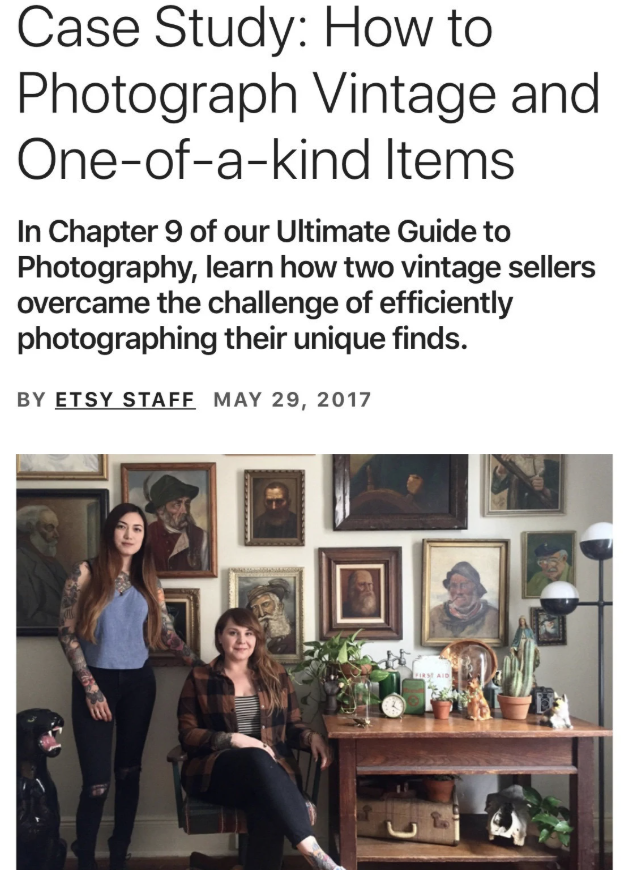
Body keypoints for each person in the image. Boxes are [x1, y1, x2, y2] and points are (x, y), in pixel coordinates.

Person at [58, 503, 203, 870]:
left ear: (144, 535)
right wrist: (91, 689)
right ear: (110, 532)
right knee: (96, 783)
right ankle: (86, 857)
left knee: (128, 773)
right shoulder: (84, 572)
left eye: (137, 529)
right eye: (122, 527)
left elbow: (167, 634)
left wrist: (201, 665)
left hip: (139, 682)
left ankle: (120, 852)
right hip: (96, 682)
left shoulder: (148, 579)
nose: (129, 535)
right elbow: (66, 633)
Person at [177, 608, 347, 870]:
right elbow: (187, 735)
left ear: (257, 639)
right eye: (233, 633)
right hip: (215, 774)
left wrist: (311, 736)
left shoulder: (275, 675)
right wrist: (233, 739)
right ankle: (314, 853)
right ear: (220, 637)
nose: (241, 640)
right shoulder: (200, 678)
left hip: (270, 775)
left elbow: (292, 725)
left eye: (249, 633)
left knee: (265, 805)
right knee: (256, 757)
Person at [144, 474, 209, 571]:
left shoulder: (201, 536)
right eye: (177, 504)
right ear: (160, 510)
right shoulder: (145, 535)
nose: (185, 511)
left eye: (187, 503)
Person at [17, 504, 67, 627]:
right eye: (49, 528)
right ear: (31, 528)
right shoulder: (19, 561)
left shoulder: (53, 563)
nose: (56, 534)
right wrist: (70, 625)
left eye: (56, 528)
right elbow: (28, 616)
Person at [349, 454, 450, 514]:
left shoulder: (441, 457)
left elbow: (445, 505)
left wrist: (422, 491)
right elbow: (349, 495)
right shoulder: (382, 457)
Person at [428, 561, 499, 639]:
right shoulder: (435, 616)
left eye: (464, 585)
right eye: (453, 586)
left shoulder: (493, 616)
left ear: (476, 589)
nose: (458, 591)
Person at [491, 454, 560, 511]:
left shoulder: (554, 466)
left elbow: (563, 500)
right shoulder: (511, 465)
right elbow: (495, 489)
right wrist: (500, 471)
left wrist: (545, 490)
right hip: (515, 517)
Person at [246, 580, 296, 655]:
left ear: (280, 607)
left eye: (265, 604)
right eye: (255, 607)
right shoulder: (247, 638)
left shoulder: (294, 637)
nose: (262, 614)